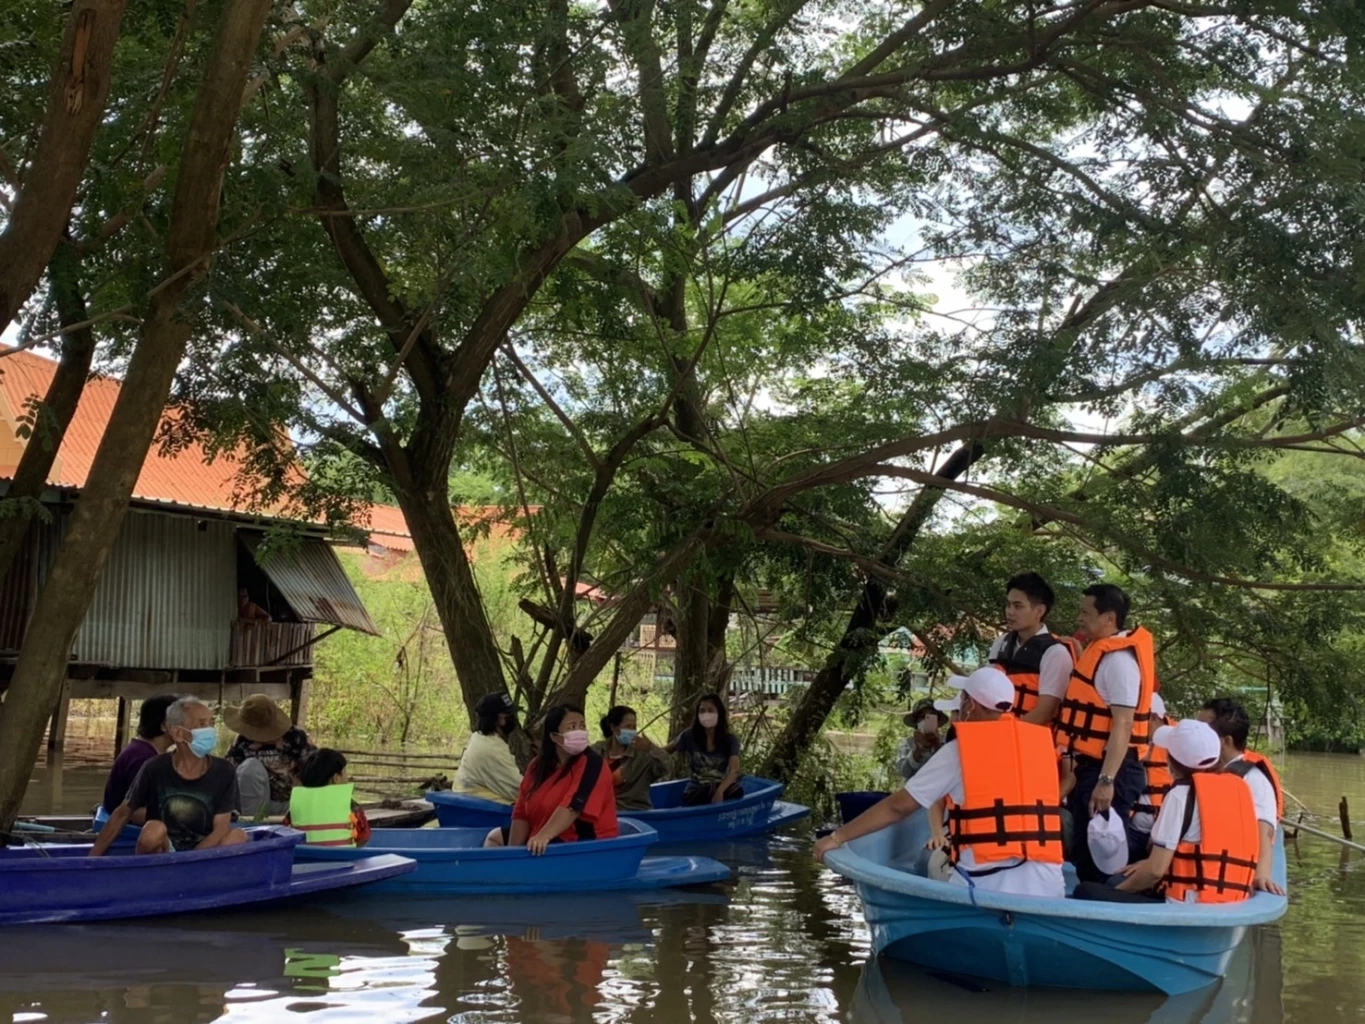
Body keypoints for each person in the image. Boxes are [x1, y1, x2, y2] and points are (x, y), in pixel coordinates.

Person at [814, 667, 1066, 899]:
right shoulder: (1040, 746)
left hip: (985, 887)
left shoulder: (961, 751)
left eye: (961, 700)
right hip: (1049, 889)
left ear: (971, 705)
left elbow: (897, 807)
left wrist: (837, 837)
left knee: (934, 866)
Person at [1073, 719, 1260, 904]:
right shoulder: (1239, 788)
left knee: (1087, 890)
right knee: (1120, 878)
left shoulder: (1180, 795)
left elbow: (1155, 872)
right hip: (1232, 898)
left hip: (1187, 903)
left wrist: (1113, 893)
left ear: (1171, 761)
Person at [1055, 582, 1156, 880]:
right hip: (1093, 766)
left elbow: (1123, 723)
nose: (1079, 618)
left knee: (1098, 850)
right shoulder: (1099, 652)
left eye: (1086, 612)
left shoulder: (1119, 662)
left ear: (1109, 618)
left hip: (1113, 768)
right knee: (1085, 848)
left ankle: (1102, 903)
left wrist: (1106, 780)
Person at [90, 697, 247, 856]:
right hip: (165, 849)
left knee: (238, 835)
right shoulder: (154, 767)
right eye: (201, 724)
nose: (209, 730)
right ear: (178, 733)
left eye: (210, 723)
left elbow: (221, 829)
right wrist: (92, 859)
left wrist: (188, 860)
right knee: (153, 830)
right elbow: (122, 813)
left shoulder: (225, 770)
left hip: (205, 849)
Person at [485, 704, 619, 852]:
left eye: (582, 726)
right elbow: (521, 812)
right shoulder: (537, 766)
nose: (579, 732)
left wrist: (543, 836)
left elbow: (573, 807)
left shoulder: (593, 764)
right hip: (541, 835)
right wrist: (512, 852)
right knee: (494, 837)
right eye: (572, 727)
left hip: (580, 842)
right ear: (554, 736)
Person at [1198, 697, 1285, 895]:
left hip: (1225, 877)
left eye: (1203, 731)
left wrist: (1261, 875)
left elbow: (1264, 832)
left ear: (1226, 741)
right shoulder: (1206, 772)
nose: (1196, 735)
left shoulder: (1252, 780)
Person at [988, 572, 1079, 725]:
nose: (1010, 612)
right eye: (1008, 605)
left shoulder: (1055, 653)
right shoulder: (1001, 642)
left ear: (1039, 611)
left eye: (1018, 606)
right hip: (995, 732)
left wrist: (1005, 733)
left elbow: (1044, 713)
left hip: (1030, 740)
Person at [225, 693, 316, 817]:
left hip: (291, 802)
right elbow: (228, 772)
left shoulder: (297, 737)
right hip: (256, 804)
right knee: (250, 768)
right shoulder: (242, 741)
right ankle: (251, 823)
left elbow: (318, 769)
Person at [101, 693, 180, 817]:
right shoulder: (143, 758)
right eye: (183, 721)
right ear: (165, 725)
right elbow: (133, 812)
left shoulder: (143, 750)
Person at [285, 748, 371, 848]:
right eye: (345, 772)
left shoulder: (297, 804)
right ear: (336, 778)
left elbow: (285, 830)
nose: (347, 777)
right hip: (342, 861)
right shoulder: (350, 804)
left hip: (305, 860)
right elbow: (364, 836)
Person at [668, 693, 743, 806]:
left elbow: (734, 770)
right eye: (702, 711)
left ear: (719, 713)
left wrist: (720, 791)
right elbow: (666, 750)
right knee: (702, 792)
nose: (706, 714)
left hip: (720, 786)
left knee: (737, 790)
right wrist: (648, 747)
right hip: (697, 789)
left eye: (710, 710)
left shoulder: (730, 740)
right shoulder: (689, 735)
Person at [592, 705, 670, 811]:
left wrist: (651, 748)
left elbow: (668, 766)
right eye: (628, 726)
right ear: (614, 728)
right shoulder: (598, 750)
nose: (632, 731)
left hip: (634, 813)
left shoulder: (642, 755)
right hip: (601, 812)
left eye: (634, 727)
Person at [454, 692, 524, 803]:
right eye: (508, 714)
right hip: (485, 810)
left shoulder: (478, 738)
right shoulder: (492, 750)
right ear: (498, 719)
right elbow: (518, 789)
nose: (512, 719)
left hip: (471, 801)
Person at [1132, 692, 1175, 840]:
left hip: (1163, 833)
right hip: (1130, 829)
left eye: (1138, 719)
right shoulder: (1130, 739)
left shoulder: (1179, 740)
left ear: (1153, 717)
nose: (1134, 725)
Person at [895, 700, 948, 781]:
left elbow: (949, 769)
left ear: (937, 721)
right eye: (922, 717)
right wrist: (917, 750)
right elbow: (904, 772)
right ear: (916, 722)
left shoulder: (947, 742)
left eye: (930, 717)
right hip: (915, 792)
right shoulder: (906, 743)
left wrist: (937, 746)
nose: (926, 720)